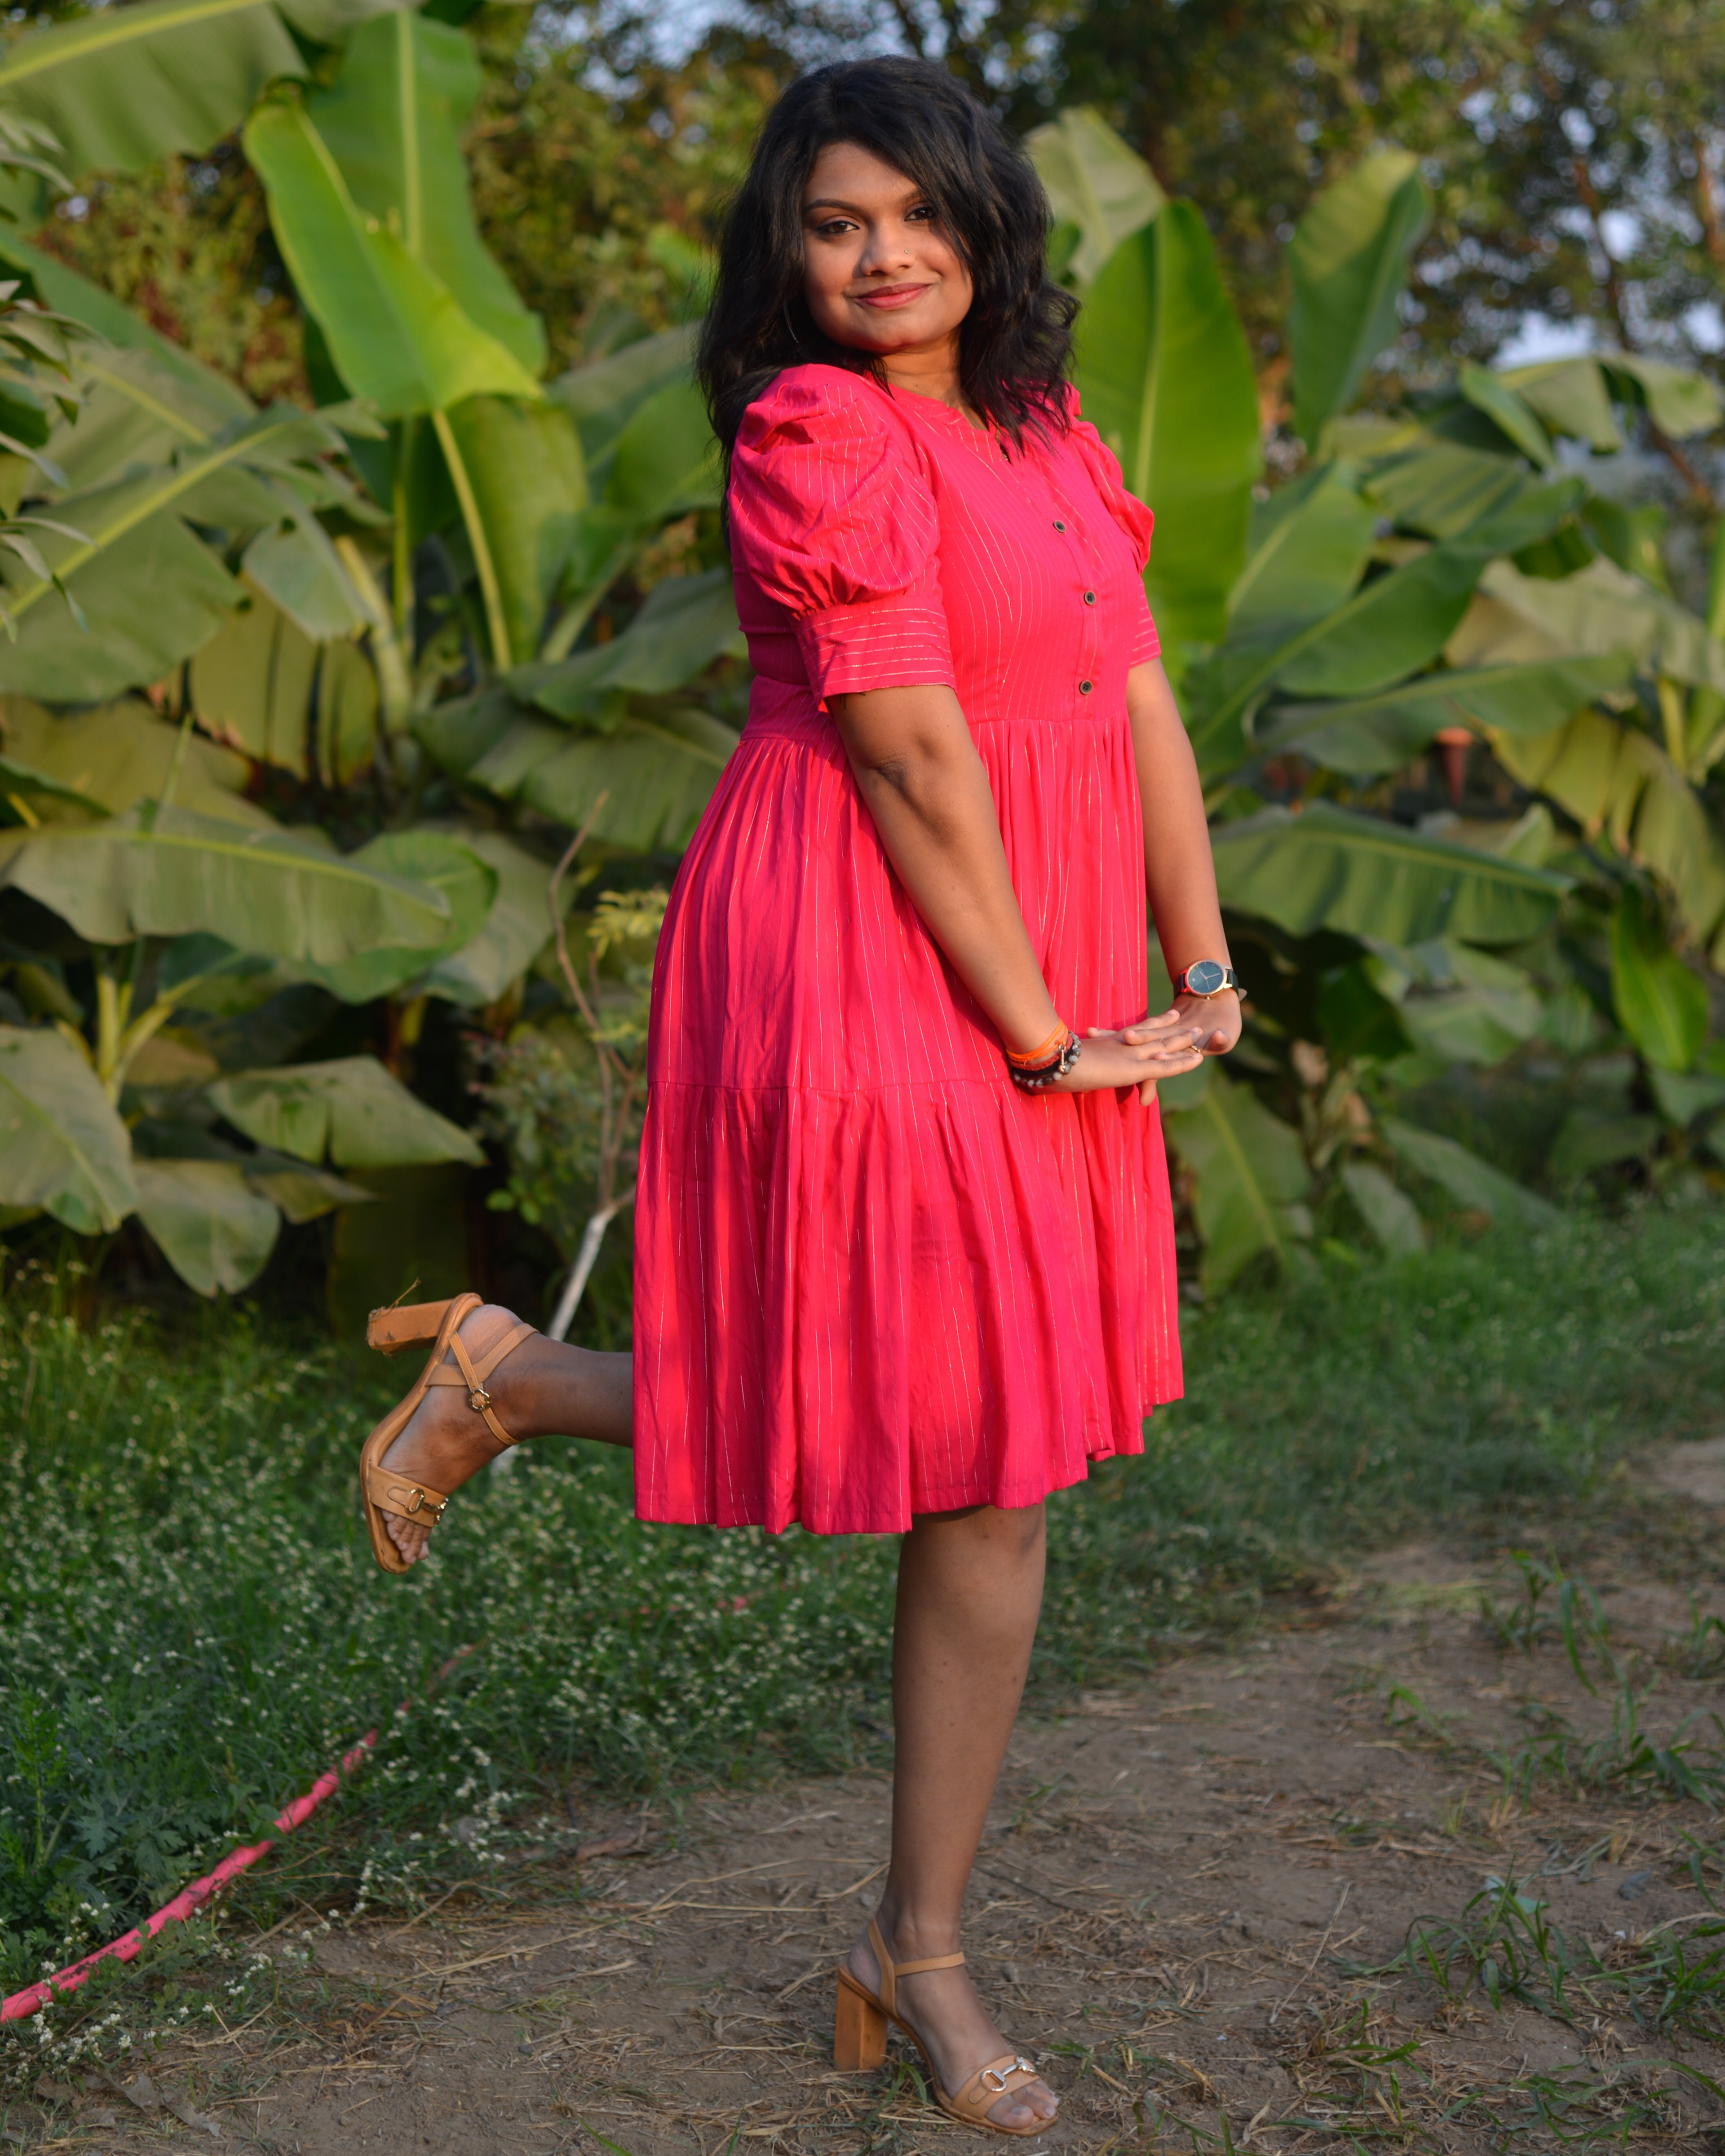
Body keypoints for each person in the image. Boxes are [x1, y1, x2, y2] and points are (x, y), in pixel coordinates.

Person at [357, 54, 1241, 2137]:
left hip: (1038, 946)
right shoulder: (814, 433)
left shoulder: (1037, 428)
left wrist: (1198, 960)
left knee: (992, 1445)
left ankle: (905, 1934)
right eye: (833, 223)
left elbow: (1136, 699)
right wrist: (1038, 1023)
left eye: (917, 215)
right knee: (913, 1401)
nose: (880, 256)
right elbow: (917, 759)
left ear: (985, 224)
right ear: (785, 249)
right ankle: (916, 1947)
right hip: (861, 926)